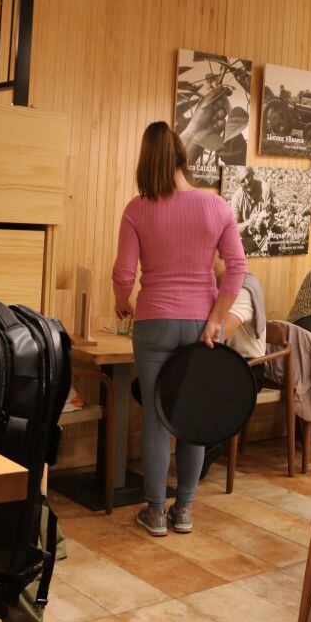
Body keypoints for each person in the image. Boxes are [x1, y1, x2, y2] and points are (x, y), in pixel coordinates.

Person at [112, 121, 246, 537]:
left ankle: (155, 513)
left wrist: (124, 304)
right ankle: (184, 509)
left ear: (145, 163)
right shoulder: (216, 206)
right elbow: (237, 267)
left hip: (152, 320)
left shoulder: (137, 208)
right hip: (201, 326)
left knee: (156, 418)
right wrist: (216, 318)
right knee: (193, 416)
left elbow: (122, 273)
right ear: (184, 158)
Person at [199, 252, 267, 479]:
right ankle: (201, 443)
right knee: (152, 385)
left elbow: (219, 334)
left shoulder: (243, 289)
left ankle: (207, 444)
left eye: (211, 257)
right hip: (220, 363)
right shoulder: (213, 286)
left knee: (184, 386)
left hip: (247, 369)